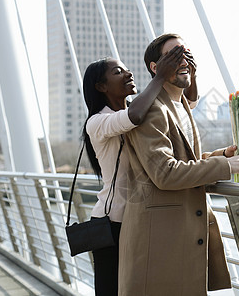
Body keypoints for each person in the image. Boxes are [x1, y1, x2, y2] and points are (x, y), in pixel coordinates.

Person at [118, 33, 239, 295]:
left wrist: (224, 156)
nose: (184, 60)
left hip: (179, 239)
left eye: (187, 54)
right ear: (155, 68)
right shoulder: (151, 109)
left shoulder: (181, 106)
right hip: (159, 242)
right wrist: (227, 167)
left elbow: (186, 162)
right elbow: (165, 172)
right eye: (175, 55)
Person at [82, 44, 191, 295]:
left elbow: (180, 109)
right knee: (111, 290)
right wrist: (160, 76)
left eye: (128, 69)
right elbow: (135, 115)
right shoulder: (98, 122)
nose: (129, 74)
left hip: (139, 220)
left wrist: (187, 75)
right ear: (101, 86)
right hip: (111, 223)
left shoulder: (137, 111)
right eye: (118, 72)